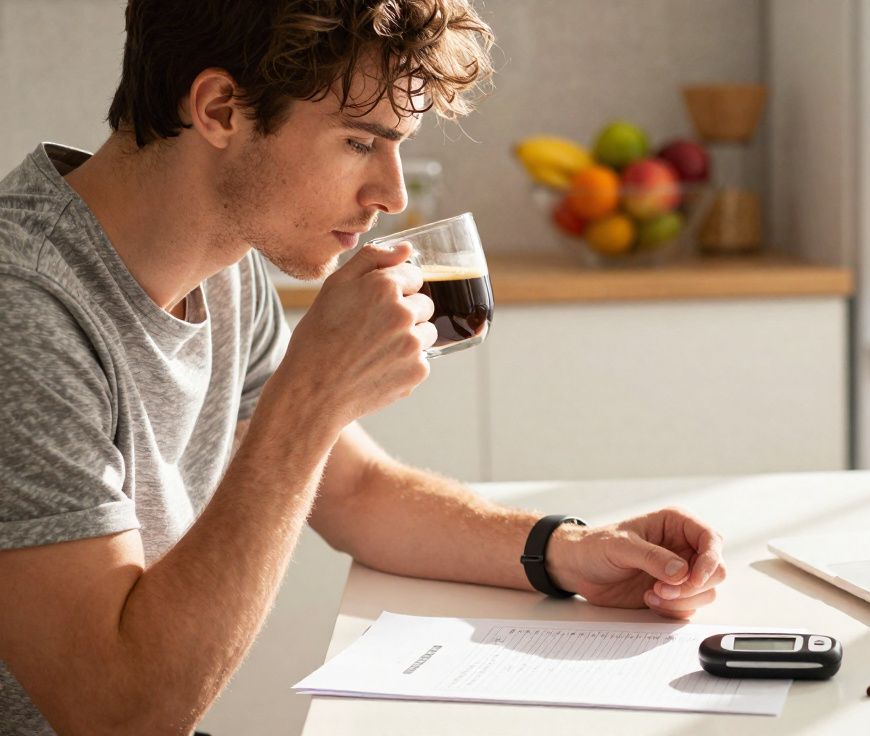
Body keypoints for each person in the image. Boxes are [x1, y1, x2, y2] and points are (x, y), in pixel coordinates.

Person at [0, 1, 727, 733]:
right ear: (221, 109)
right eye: (359, 142)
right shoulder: (23, 310)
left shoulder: (223, 268)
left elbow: (354, 493)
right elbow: (117, 715)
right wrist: (311, 397)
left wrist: (568, 551)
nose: (394, 193)